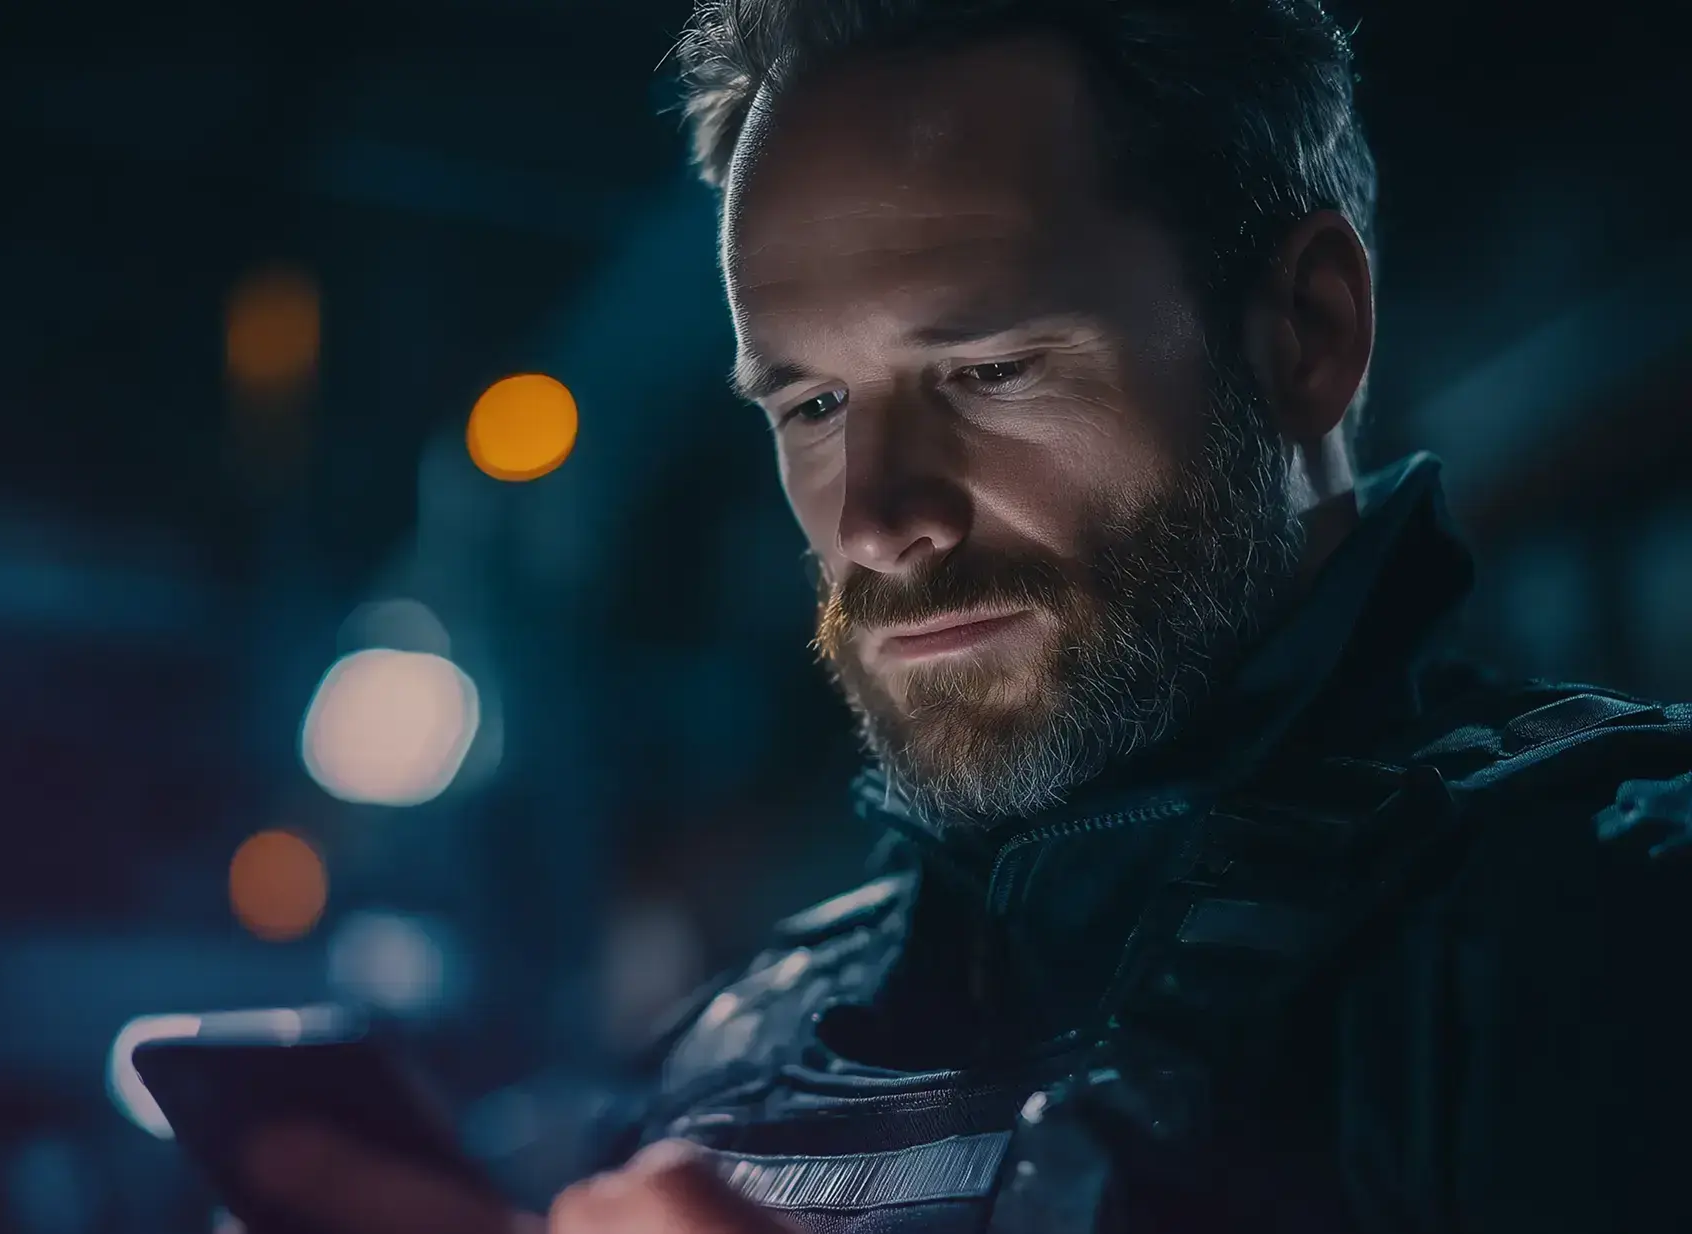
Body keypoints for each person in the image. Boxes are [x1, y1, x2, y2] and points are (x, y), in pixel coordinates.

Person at [239, 1, 1692, 1230]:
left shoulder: (1623, 931)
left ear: (1306, 334)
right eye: (811, 402)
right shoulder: (737, 1054)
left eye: (990, 371)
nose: (875, 516)